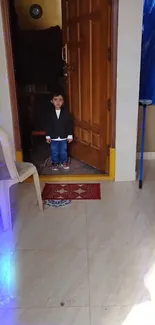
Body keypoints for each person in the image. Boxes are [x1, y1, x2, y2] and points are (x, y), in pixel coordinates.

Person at [45, 90, 73, 171]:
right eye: (55, 99)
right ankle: (55, 162)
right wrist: (48, 136)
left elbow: (69, 124)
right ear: (52, 101)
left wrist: (70, 135)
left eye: (60, 99)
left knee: (63, 151)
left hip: (63, 136)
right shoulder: (49, 113)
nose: (58, 102)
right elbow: (48, 125)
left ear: (63, 101)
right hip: (53, 137)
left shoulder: (66, 113)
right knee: (54, 151)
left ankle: (64, 162)